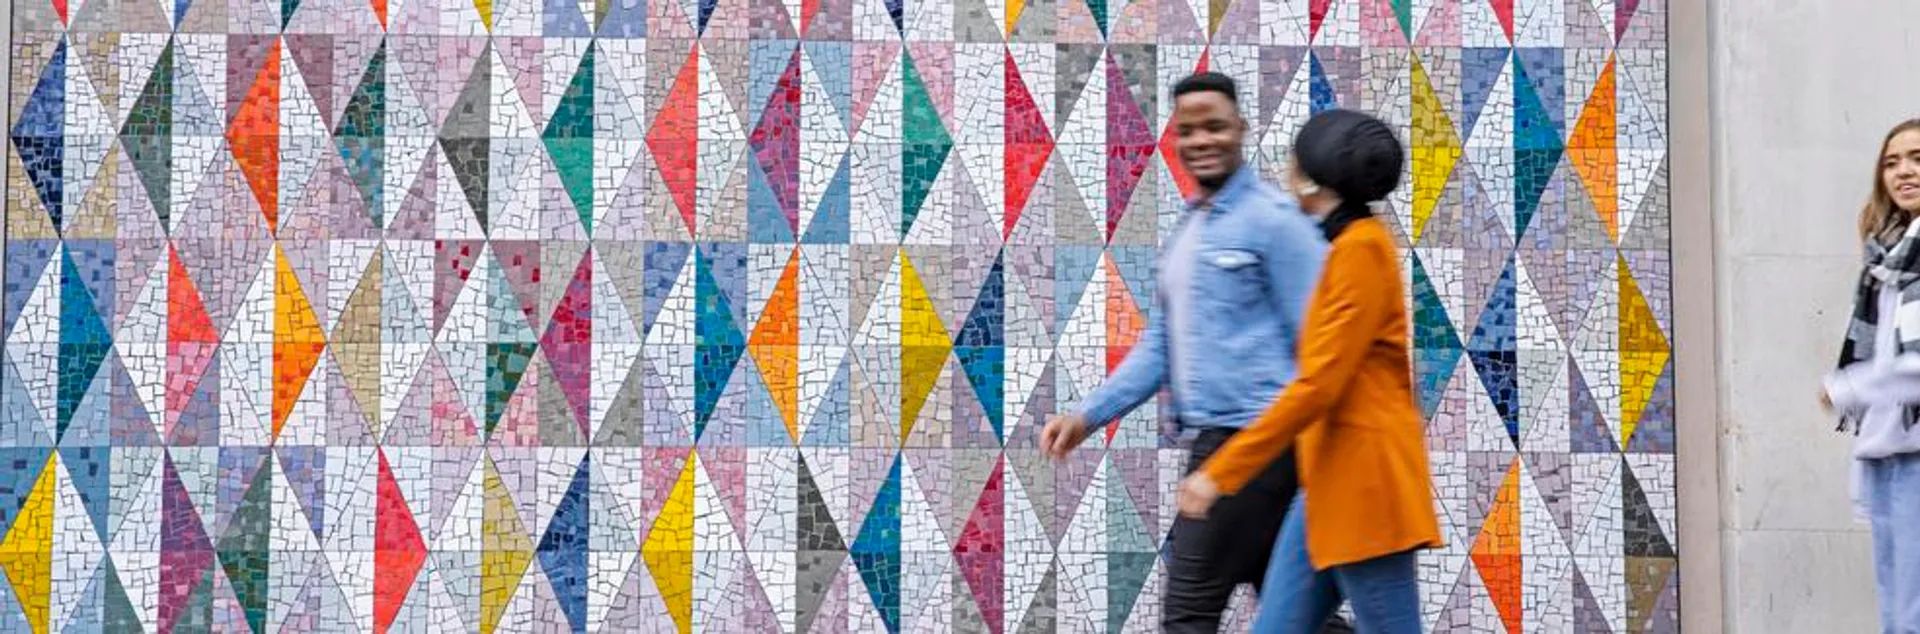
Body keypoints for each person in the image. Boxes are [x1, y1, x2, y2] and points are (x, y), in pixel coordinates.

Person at [1039, 71, 1350, 633]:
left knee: (1189, 611)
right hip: (1225, 443)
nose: (1202, 140)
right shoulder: (1190, 232)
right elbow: (1161, 345)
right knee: (1293, 611)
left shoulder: (1274, 222)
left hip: (1256, 443)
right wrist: (1088, 415)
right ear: (1175, 139)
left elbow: (1327, 342)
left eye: (1215, 126)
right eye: (1188, 130)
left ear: (1240, 129)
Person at [1174, 108, 1442, 634]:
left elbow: (1320, 383)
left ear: (1316, 175)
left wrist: (1221, 472)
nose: (1285, 169)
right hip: (1326, 484)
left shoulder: (1362, 250)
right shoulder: (1341, 245)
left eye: (1295, 159)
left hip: (1364, 488)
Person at [1822, 118, 1920, 633]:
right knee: (1896, 613)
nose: (1903, 171)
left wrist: (1845, 389)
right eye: (1891, 162)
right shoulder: (1884, 260)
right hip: (1887, 450)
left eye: (1917, 158)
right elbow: (1875, 349)